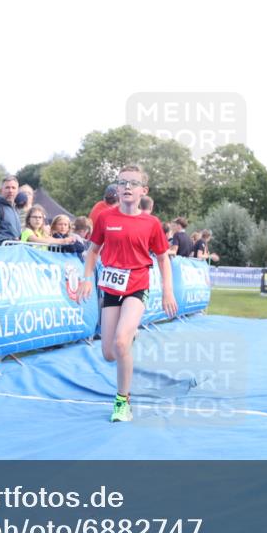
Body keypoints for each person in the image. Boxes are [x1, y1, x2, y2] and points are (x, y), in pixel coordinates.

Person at [78, 164, 177, 423]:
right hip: (111, 288)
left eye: (133, 183)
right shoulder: (105, 218)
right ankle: (127, 337)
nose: (127, 187)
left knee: (121, 342)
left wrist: (168, 290)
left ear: (143, 190)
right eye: (122, 183)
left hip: (137, 286)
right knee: (109, 353)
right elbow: (93, 251)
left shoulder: (152, 223)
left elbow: (163, 259)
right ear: (117, 189)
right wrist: (87, 278)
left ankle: (123, 401)